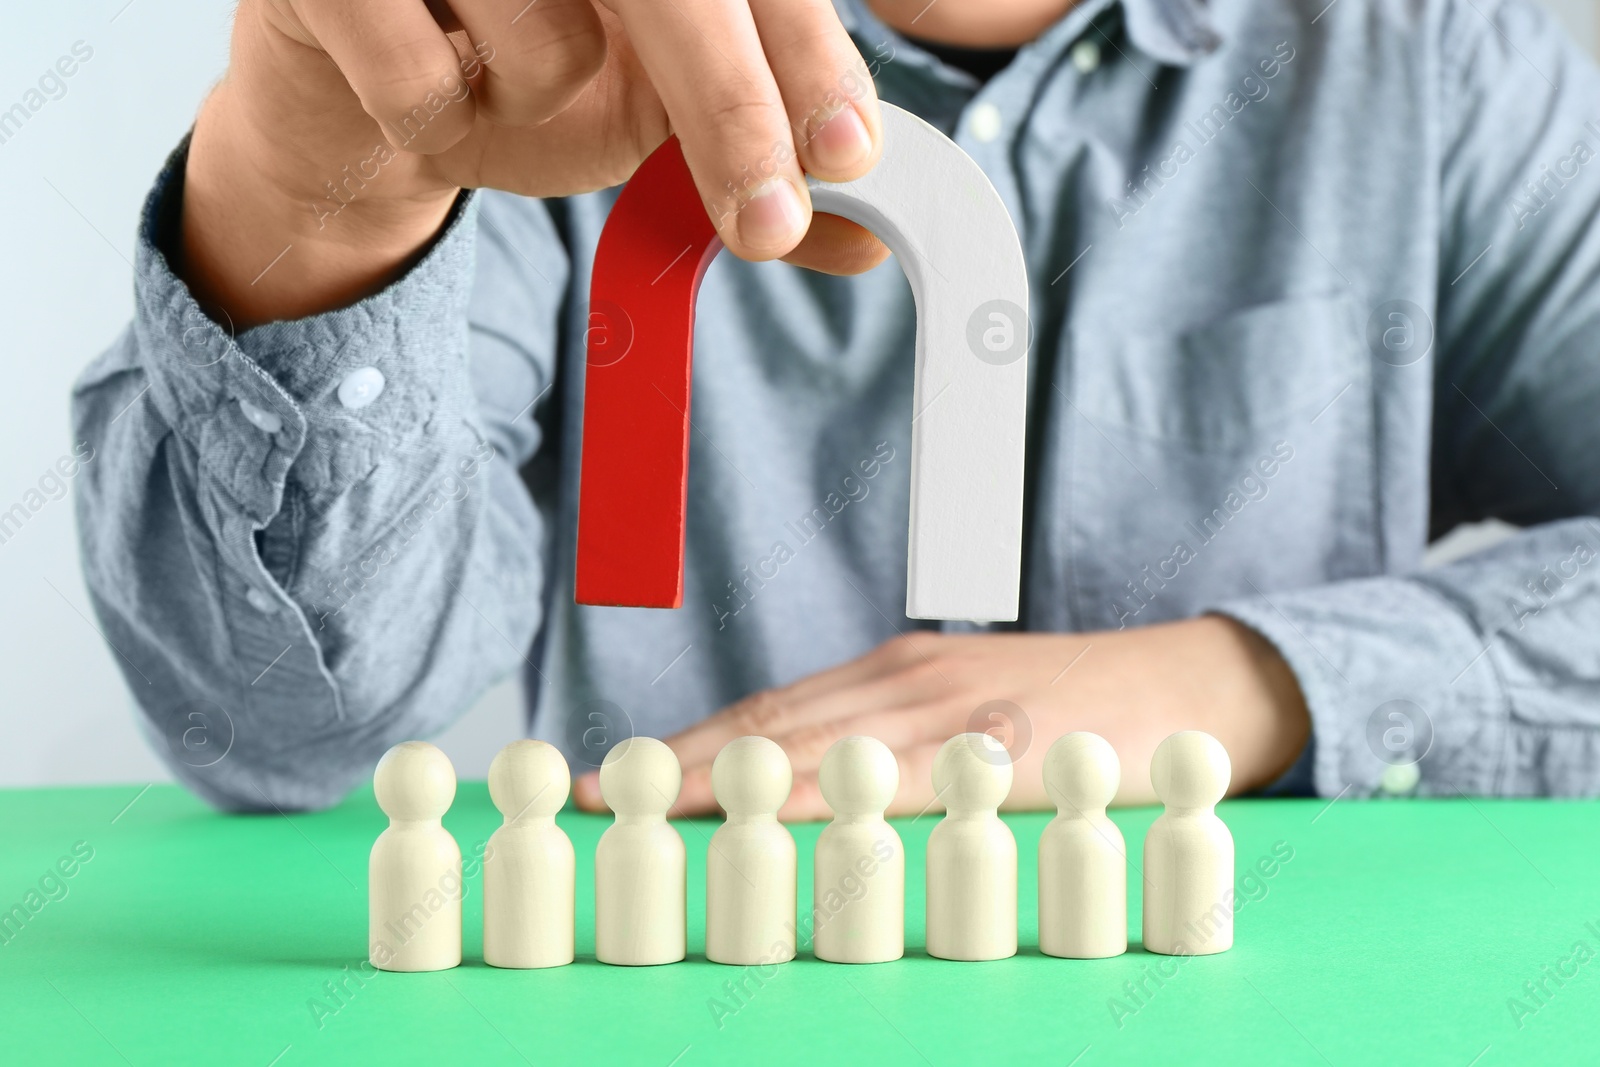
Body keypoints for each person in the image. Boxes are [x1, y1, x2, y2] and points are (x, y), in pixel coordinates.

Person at [72, 0, 1600, 817]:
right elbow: (274, 734)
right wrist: (307, 205)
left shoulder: (1440, 63)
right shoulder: (524, 59)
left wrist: (1251, 684)